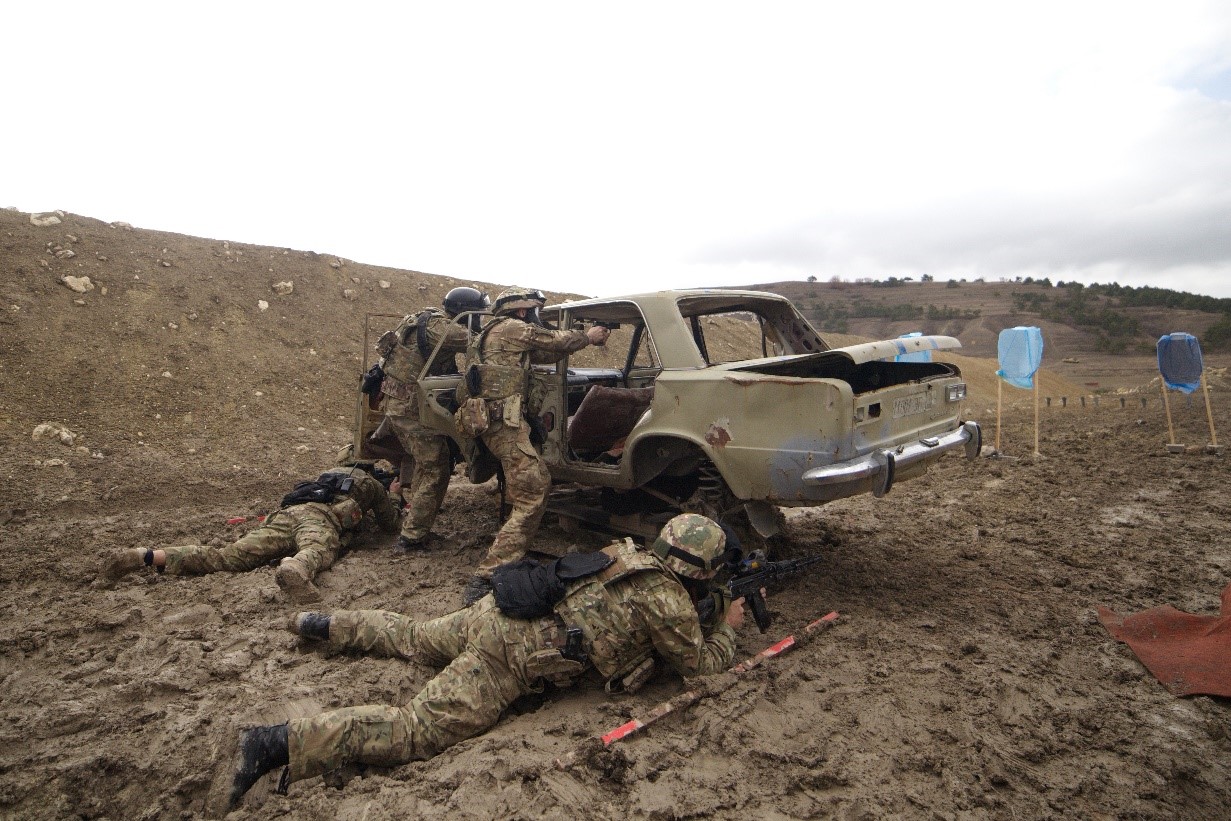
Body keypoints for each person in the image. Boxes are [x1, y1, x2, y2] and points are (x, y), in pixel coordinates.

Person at [210, 513, 748, 812]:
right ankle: (273, 744)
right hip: (508, 657)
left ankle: (319, 623)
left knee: (414, 636)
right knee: (413, 731)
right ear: (704, 570)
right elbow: (699, 667)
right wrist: (728, 629)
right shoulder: (669, 601)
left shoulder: (624, 552)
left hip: (495, 611)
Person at [458, 286, 609, 603]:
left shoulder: (489, 334)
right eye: (537, 311)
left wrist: (576, 338)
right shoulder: (514, 327)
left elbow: (548, 353)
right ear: (524, 311)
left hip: (495, 421)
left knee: (526, 485)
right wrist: (589, 336)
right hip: (504, 423)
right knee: (534, 488)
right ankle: (487, 575)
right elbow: (553, 341)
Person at [100, 465, 402, 603]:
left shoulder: (329, 475)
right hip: (318, 519)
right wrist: (394, 495)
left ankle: (145, 555)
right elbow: (391, 525)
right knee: (318, 550)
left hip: (283, 516)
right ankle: (296, 568)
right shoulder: (369, 485)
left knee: (228, 556)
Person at [376, 287, 490, 552]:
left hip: (400, 405)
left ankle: (415, 526)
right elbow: (484, 341)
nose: (480, 319)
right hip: (411, 409)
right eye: (478, 314)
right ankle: (411, 538)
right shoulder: (442, 329)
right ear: (464, 311)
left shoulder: (423, 318)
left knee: (426, 466)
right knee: (436, 467)